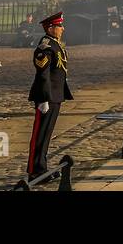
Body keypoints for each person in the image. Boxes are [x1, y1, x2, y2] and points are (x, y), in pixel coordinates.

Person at [27, 12, 72, 180]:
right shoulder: (45, 46)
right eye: (59, 26)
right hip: (46, 96)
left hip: (56, 94)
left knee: (46, 135)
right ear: (51, 28)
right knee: (39, 134)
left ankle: (41, 168)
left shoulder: (55, 44)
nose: (62, 29)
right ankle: (33, 170)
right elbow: (43, 74)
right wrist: (44, 98)